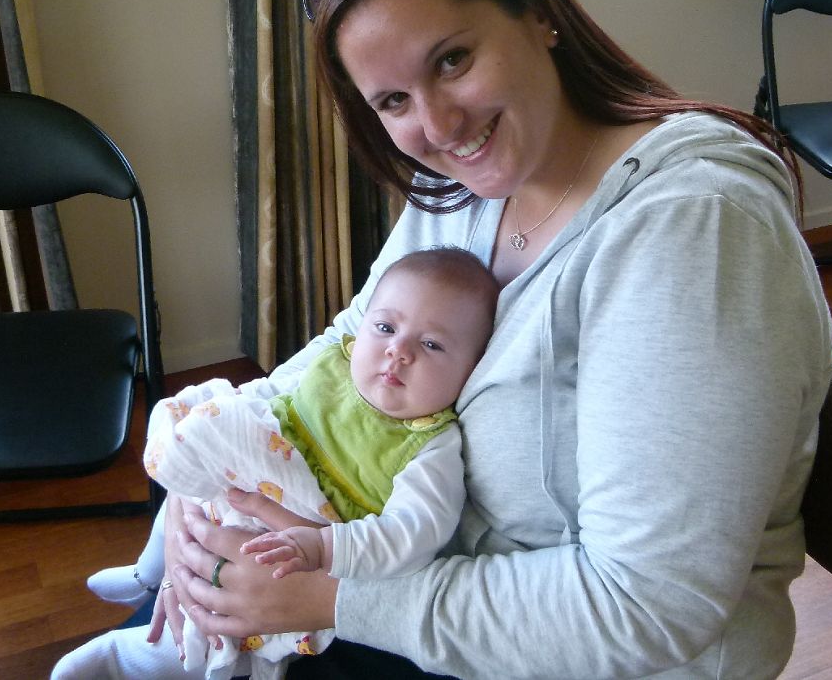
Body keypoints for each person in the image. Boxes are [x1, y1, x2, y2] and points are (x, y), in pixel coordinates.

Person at [136, 0, 832, 679]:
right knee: (168, 596)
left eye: (453, 61)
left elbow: (644, 606)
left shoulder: (694, 229)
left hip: (581, 655)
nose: (438, 126)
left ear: (537, 11)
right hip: (413, 579)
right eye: (394, 100)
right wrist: (217, 465)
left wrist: (328, 598)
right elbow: (351, 336)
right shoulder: (466, 190)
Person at [52, 247, 499, 679]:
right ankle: (147, 575)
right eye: (385, 327)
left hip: (306, 531)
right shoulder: (335, 364)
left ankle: (145, 657)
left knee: (238, 581)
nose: (398, 350)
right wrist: (226, 411)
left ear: (472, 369)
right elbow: (271, 393)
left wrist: (323, 547)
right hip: (258, 468)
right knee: (200, 453)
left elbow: (412, 534)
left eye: (432, 344)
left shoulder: (432, 446)